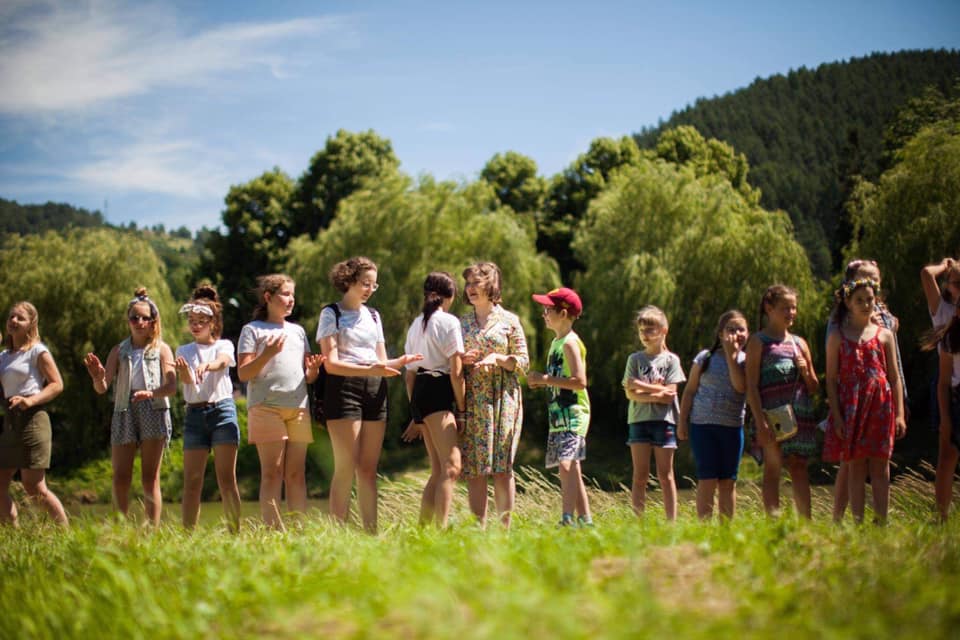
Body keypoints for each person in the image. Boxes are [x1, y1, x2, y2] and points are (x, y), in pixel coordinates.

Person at [317, 257, 421, 533]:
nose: (369, 290)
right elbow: (331, 364)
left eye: (374, 285)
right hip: (343, 389)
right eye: (365, 283)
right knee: (346, 467)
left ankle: (371, 535)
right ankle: (337, 535)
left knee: (367, 469)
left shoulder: (374, 316)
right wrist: (369, 368)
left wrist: (401, 362)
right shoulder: (331, 314)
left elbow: (382, 361)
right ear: (348, 280)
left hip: (375, 388)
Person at [84, 288, 177, 525]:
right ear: (128, 321)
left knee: (150, 478)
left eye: (145, 318)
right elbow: (102, 387)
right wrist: (97, 376)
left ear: (153, 322)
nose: (139, 322)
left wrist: (151, 393)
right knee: (120, 477)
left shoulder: (162, 349)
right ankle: (119, 530)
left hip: (154, 409)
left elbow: (172, 387)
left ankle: (151, 532)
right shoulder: (119, 350)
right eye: (134, 317)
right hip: (124, 410)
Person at [238, 274, 322, 531]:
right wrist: (267, 354)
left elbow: (305, 374)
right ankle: (274, 532)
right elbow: (243, 373)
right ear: (268, 297)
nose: (290, 300)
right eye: (285, 294)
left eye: (292, 295)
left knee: (296, 474)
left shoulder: (297, 331)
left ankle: (299, 529)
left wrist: (314, 373)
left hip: (298, 407)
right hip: (266, 408)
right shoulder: (252, 330)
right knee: (272, 474)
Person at [823, 259, 905, 521]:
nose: (866, 304)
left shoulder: (884, 333)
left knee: (881, 464)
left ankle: (882, 520)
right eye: (859, 300)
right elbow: (831, 379)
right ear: (848, 301)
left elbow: (894, 376)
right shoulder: (837, 333)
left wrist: (901, 413)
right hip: (852, 405)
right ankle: (855, 521)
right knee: (855, 465)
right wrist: (835, 414)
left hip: (881, 405)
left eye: (870, 299)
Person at [458, 262, 529, 528]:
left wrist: (498, 358)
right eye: (468, 284)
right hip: (473, 401)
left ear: (491, 285)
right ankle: (479, 529)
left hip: (504, 400)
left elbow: (523, 362)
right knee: (475, 468)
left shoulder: (510, 321)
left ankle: (504, 530)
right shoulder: (461, 323)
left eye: (477, 283)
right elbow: (451, 362)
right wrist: (462, 360)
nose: (471, 289)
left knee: (502, 466)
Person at [744, 284, 819, 518]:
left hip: (799, 416)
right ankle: (773, 524)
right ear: (769, 308)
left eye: (794, 308)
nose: (791, 312)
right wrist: (761, 421)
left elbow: (814, 387)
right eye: (786, 307)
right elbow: (751, 387)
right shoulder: (758, 342)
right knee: (773, 470)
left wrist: (806, 371)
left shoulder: (800, 343)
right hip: (770, 418)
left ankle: (806, 525)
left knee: (798, 467)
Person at [174, 284, 242, 532]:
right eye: (192, 320)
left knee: (226, 479)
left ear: (212, 323)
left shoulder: (223, 345)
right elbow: (189, 384)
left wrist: (208, 366)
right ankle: (187, 535)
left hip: (222, 411)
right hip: (195, 414)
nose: (195, 325)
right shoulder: (183, 350)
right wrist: (184, 373)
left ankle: (235, 533)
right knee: (192, 481)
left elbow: (223, 362)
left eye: (201, 320)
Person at [401, 272, 464, 527]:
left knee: (438, 469)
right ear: (449, 297)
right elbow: (457, 373)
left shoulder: (417, 324)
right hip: (439, 391)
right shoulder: (449, 322)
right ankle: (441, 528)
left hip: (420, 392)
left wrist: (416, 413)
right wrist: (462, 409)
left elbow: (409, 376)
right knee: (451, 466)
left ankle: (423, 530)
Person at [527, 287, 592, 527]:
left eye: (548, 309)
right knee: (571, 468)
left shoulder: (570, 343)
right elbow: (558, 378)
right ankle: (586, 520)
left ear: (563, 314)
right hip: (559, 416)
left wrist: (545, 380)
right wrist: (543, 382)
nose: (544, 314)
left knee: (567, 464)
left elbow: (580, 381)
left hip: (574, 413)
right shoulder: (556, 342)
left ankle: (567, 519)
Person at [0, 302, 68, 526]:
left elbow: (57, 384)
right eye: (11, 317)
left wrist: (30, 400)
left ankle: (66, 535)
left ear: (31, 323)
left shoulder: (37, 351)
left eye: (20, 318)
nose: (13, 321)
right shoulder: (4, 356)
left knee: (34, 487)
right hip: (10, 423)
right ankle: (13, 533)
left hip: (33, 420)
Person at [677, 310, 749, 520]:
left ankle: (725, 531)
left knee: (728, 481)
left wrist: (731, 355)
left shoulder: (746, 360)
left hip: (733, 428)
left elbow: (740, 386)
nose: (736, 333)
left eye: (741, 329)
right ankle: (704, 528)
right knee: (707, 479)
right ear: (720, 334)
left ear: (748, 333)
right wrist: (682, 422)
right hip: (702, 426)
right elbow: (689, 391)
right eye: (731, 329)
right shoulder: (705, 358)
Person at [622, 306, 686, 521]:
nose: (645, 335)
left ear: (663, 330)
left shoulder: (671, 361)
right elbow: (630, 394)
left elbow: (671, 395)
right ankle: (638, 521)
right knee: (639, 475)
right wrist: (656, 390)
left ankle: (671, 523)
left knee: (665, 475)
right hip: (638, 420)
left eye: (650, 330)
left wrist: (642, 387)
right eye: (641, 330)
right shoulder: (635, 360)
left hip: (664, 422)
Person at [926, 295, 960, 521]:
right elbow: (943, 383)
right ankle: (942, 516)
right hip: (958, 399)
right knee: (947, 457)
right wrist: (945, 419)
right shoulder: (951, 338)